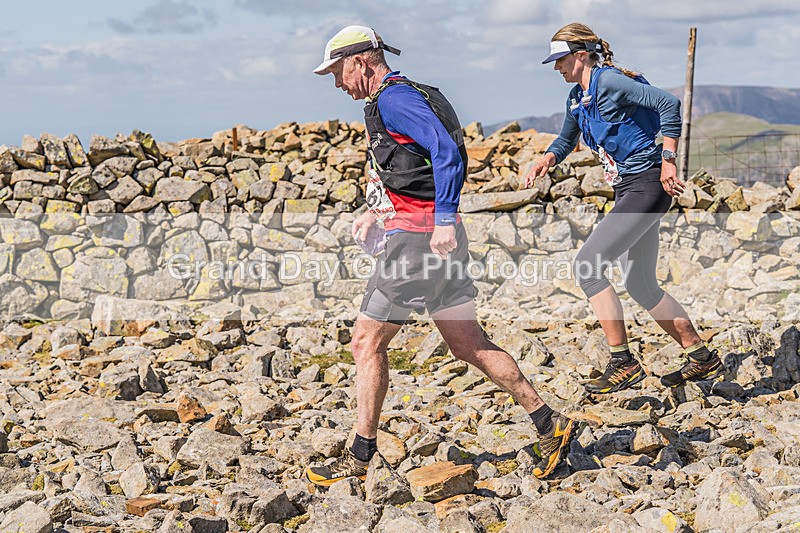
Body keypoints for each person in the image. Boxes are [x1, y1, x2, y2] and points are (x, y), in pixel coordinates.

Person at [306, 25, 576, 485]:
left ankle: (357, 459)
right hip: (438, 240)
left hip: (418, 244)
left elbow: (446, 151)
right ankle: (550, 424)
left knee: (365, 342)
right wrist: (376, 212)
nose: (336, 83)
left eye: (337, 71)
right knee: (466, 342)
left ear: (361, 61)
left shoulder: (394, 100)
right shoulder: (405, 96)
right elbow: (409, 170)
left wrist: (444, 217)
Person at [526, 23, 723, 395]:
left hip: (649, 184)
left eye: (561, 59)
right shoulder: (576, 97)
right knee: (641, 284)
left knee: (587, 267)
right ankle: (700, 356)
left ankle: (623, 362)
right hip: (629, 189)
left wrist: (668, 159)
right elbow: (568, 137)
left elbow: (668, 103)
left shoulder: (610, 82)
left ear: (581, 55)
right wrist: (547, 160)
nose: (557, 67)